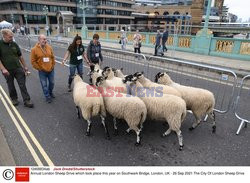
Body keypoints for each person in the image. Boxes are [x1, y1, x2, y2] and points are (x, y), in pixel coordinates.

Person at [0, 29, 33, 107]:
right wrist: (3, 69)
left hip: (18, 68)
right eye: (10, 37)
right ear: (4, 36)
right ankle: (14, 99)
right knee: (11, 85)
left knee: (22, 85)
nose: (11, 38)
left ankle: (27, 100)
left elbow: (20, 56)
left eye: (12, 37)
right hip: (7, 70)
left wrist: (25, 67)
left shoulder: (14, 44)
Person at [30, 34, 55, 103]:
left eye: (46, 39)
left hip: (51, 69)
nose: (45, 40)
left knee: (52, 83)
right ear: (39, 40)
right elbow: (33, 61)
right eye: (43, 39)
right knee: (44, 85)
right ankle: (47, 96)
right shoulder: (34, 49)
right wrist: (39, 68)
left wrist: (53, 65)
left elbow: (52, 57)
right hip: (42, 71)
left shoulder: (49, 47)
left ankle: (50, 92)